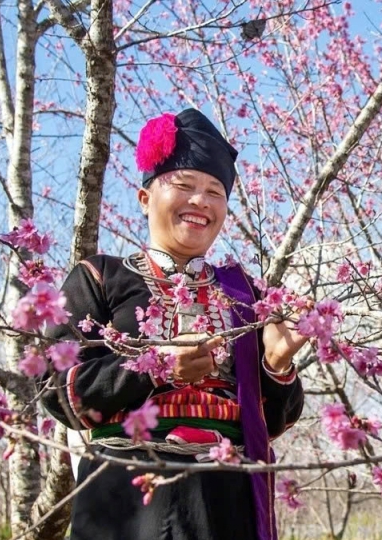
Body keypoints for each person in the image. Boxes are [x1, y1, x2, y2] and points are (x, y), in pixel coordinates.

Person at [41, 108, 306, 540]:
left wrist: (276, 365)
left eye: (215, 192)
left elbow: (273, 423)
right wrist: (157, 366)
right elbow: (57, 392)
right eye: (184, 185)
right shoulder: (99, 277)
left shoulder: (244, 293)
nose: (200, 201)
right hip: (125, 492)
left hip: (226, 495)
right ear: (145, 198)